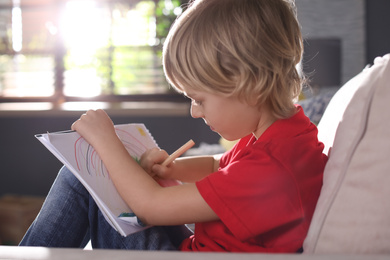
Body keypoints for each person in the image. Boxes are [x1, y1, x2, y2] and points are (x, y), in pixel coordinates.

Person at [19, 0, 327, 253]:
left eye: (199, 99)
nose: (195, 112)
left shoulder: (270, 171)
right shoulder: (286, 139)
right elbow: (219, 165)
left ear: (250, 85)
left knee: (81, 176)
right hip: (191, 248)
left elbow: (151, 206)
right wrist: (174, 169)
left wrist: (106, 141)